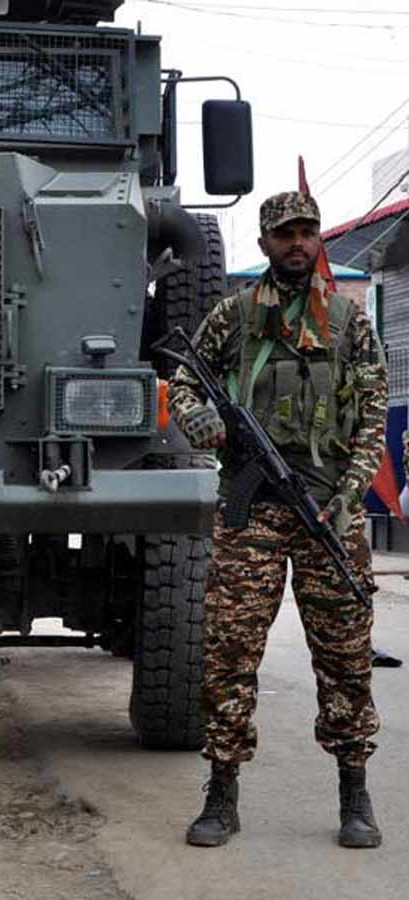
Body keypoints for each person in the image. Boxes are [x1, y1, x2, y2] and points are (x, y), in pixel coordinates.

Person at [169, 192, 387, 850]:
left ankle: (354, 792)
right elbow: (184, 379)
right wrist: (199, 419)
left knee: (345, 656)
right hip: (251, 510)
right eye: (284, 233)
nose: (297, 242)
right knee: (230, 654)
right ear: (264, 243)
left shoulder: (348, 320)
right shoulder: (234, 315)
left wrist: (346, 498)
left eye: (306, 232)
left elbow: (372, 418)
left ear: (318, 239)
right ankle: (222, 794)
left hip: (328, 511)